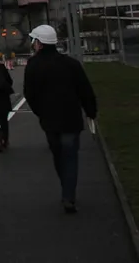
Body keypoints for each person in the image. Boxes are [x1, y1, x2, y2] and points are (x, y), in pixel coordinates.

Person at [23, 24, 98, 214]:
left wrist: (40, 112)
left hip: (49, 120)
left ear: (39, 43)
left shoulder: (33, 65)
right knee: (71, 157)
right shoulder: (71, 64)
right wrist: (91, 111)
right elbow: (85, 90)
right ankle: (68, 195)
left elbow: (29, 94)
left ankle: (66, 188)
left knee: (58, 155)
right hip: (71, 118)